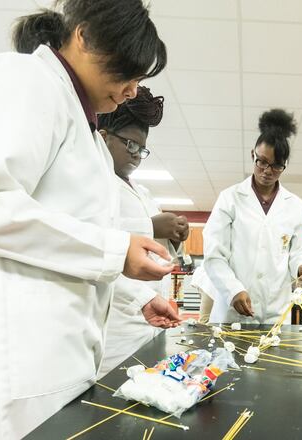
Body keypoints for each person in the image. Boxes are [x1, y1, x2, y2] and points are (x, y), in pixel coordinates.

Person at [0, 2, 177, 438]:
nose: (133, 90)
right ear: (83, 36)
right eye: (128, 74)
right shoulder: (22, 80)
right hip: (2, 373)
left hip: (51, 365)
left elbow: (63, 235)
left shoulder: (86, 133)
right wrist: (116, 251)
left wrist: (134, 296)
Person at [96, 86, 188, 377]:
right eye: (130, 145)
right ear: (103, 137)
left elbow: (155, 253)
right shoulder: (96, 187)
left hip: (148, 319)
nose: (136, 155)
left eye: (142, 149)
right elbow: (99, 251)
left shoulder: (144, 193)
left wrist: (174, 237)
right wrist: (152, 225)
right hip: (116, 326)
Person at [203, 109, 302, 324]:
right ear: (252, 154)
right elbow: (214, 255)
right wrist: (233, 289)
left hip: (276, 311)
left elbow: (297, 251)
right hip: (233, 311)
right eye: (261, 161)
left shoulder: (295, 206)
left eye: (276, 166)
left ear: (285, 165)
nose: (267, 171)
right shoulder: (230, 198)